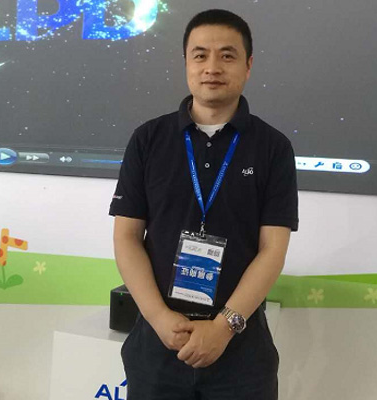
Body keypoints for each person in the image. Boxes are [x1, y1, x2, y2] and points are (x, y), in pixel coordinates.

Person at [109, 9, 298, 400]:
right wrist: (159, 318)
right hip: (158, 344)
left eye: (227, 55)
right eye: (200, 55)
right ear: (186, 63)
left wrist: (223, 328)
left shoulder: (273, 148)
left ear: (248, 65)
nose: (212, 67)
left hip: (240, 350)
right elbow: (126, 237)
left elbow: (272, 250)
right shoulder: (148, 140)